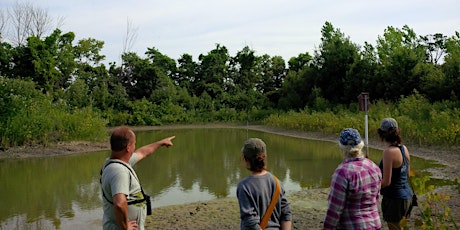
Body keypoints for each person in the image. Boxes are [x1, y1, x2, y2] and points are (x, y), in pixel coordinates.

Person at [100, 126, 175, 230]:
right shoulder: (119, 171)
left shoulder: (119, 161)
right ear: (128, 147)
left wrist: (161, 142)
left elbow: (142, 152)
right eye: (134, 143)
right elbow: (119, 204)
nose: (135, 146)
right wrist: (125, 227)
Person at [323, 128, 382, 230]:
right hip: (375, 224)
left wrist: (327, 228)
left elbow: (335, 209)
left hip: (352, 225)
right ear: (360, 145)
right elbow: (375, 199)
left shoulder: (342, 172)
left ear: (341, 147)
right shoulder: (373, 167)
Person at [237, 138, 292, 230]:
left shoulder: (244, 186)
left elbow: (250, 222)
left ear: (245, 159)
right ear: (265, 157)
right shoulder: (277, 182)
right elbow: (286, 213)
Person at [378, 118, 413, 230]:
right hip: (407, 196)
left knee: (394, 227)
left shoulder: (388, 152)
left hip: (394, 198)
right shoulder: (404, 149)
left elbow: (386, 182)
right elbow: (407, 174)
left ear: (382, 134)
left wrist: (372, 186)